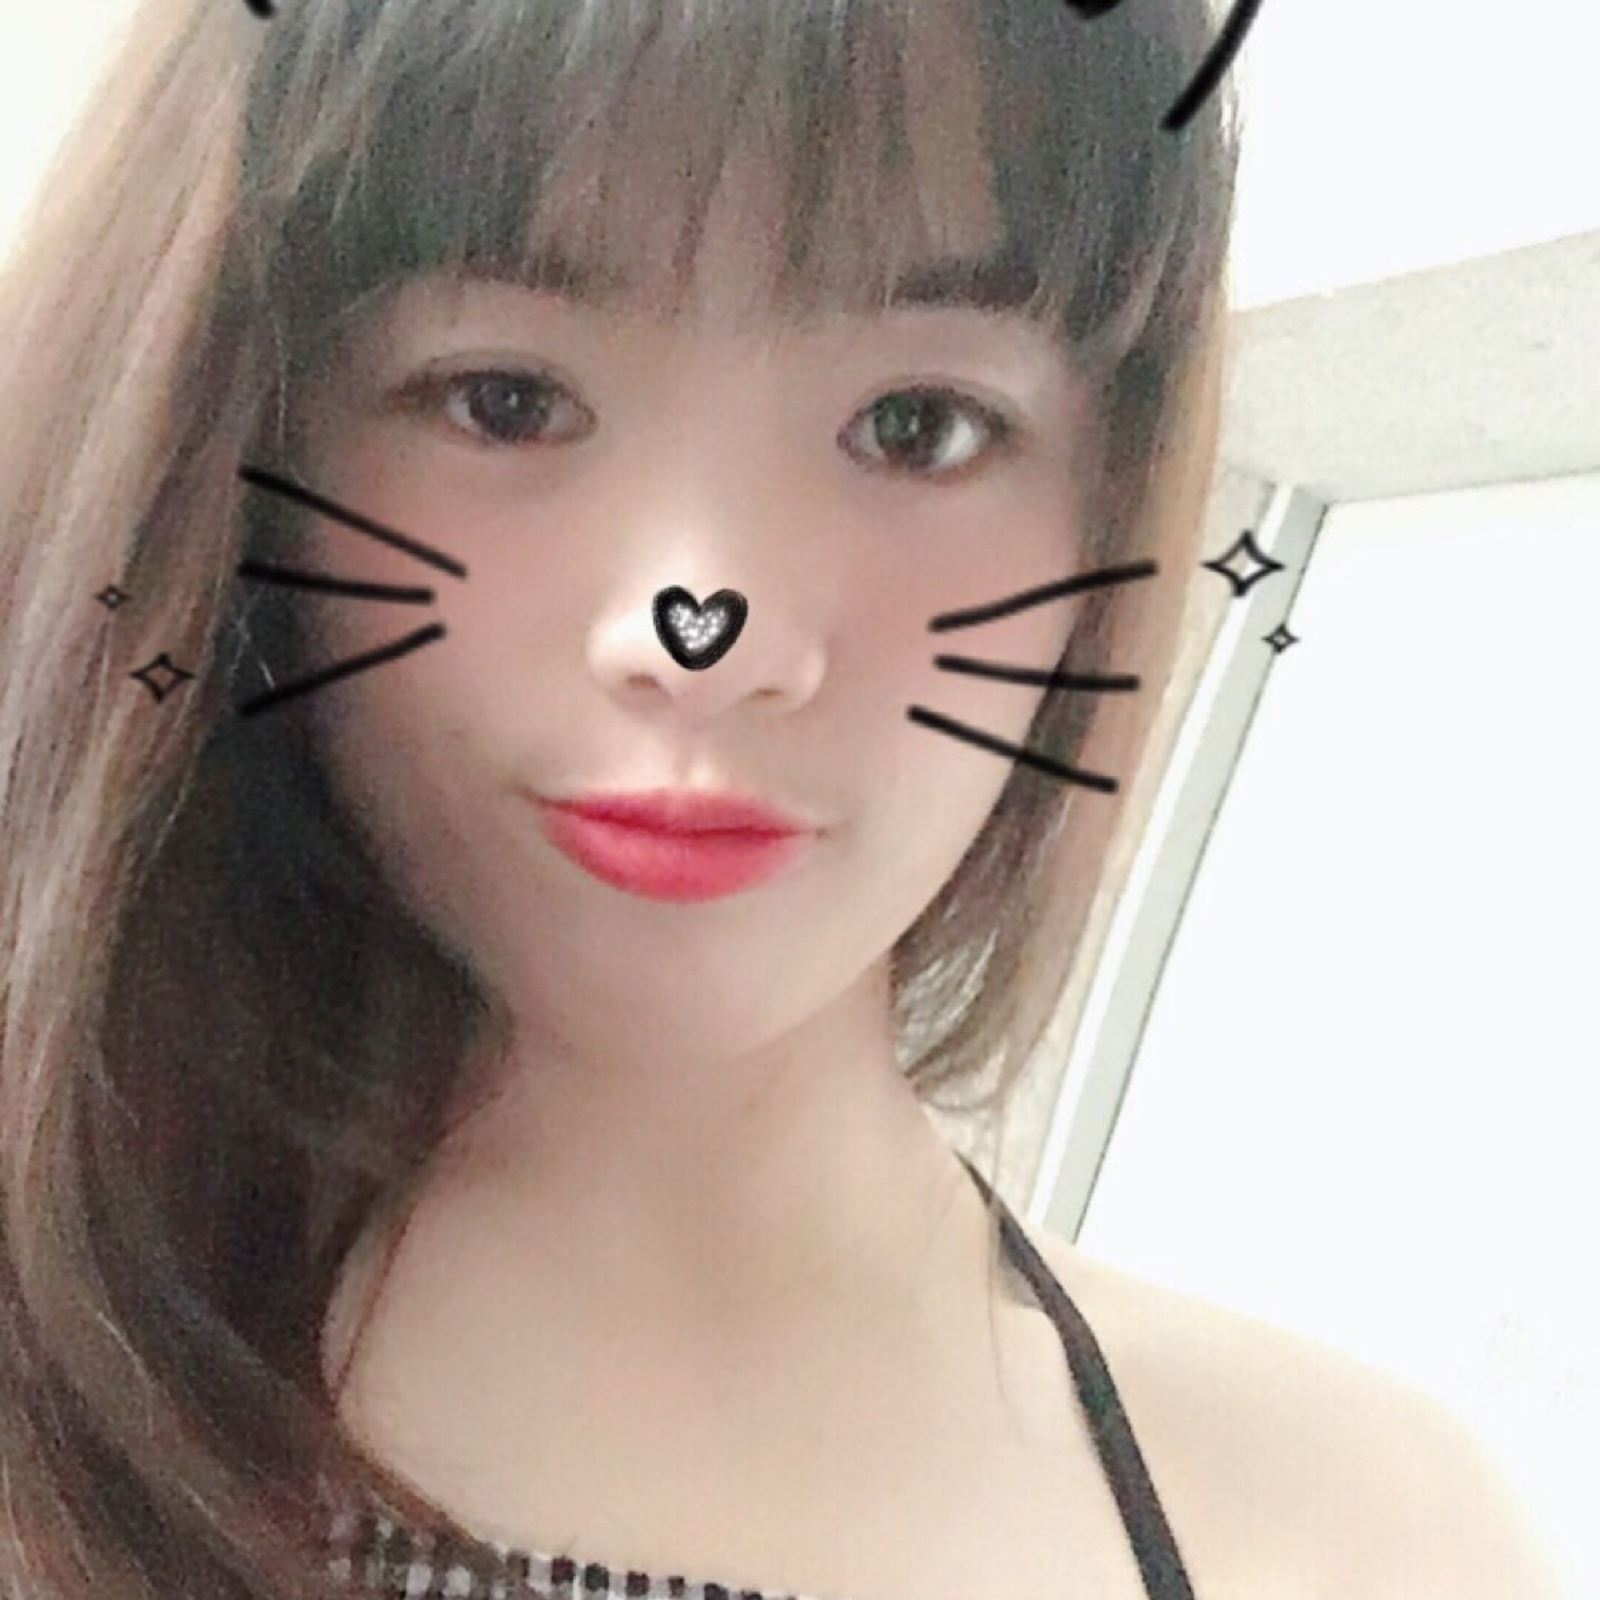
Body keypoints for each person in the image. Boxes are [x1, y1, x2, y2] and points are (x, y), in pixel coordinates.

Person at [0, 2, 1568, 1600]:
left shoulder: (1354, 1542)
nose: (709, 632)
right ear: (238, 445)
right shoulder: (48, 1408)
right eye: (506, 400)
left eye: (916, 427)